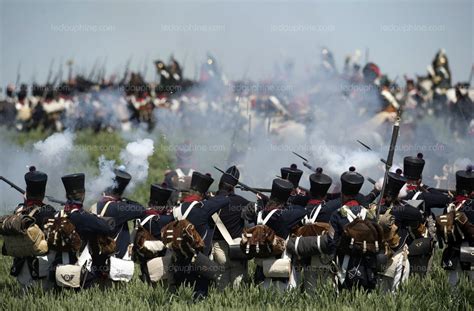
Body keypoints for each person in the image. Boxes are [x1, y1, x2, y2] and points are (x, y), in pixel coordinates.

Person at [171, 171, 230, 299]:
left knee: (181, 297)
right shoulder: (202, 207)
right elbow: (225, 200)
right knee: (199, 296)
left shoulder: (177, 208)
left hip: (180, 259)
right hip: (200, 260)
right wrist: (210, 197)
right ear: (202, 194)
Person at [90, 169, 148, 283]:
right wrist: (125, 200)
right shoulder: (118, 208)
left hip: (96, 259)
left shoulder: (95, 205)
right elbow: (141, 209)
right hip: (116, 259)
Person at [328, 167, 379, 291]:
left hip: (345, 266)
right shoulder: (370, 215)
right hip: (367, 267)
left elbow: (331, 243)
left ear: (342, 194)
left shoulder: (337, 214)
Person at [7, 167, 56, 289]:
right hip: (42, 271)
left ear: (27, 192)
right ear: (43, 193)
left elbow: (27, 211)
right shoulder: (48, 211)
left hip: (21, 272)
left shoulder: (18, 209)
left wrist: (26, 202)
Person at [211, 166, 251, 290]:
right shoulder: (241, 201)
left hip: (217, 249)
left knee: (221, 287)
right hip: (236, 248)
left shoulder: (210, 202)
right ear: (233, 187)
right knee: (238, 287)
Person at [438, 166, 474, 286]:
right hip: (470, 248)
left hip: (453, 250)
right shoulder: (471, 205)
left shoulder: (449, 206)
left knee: (453, 289)